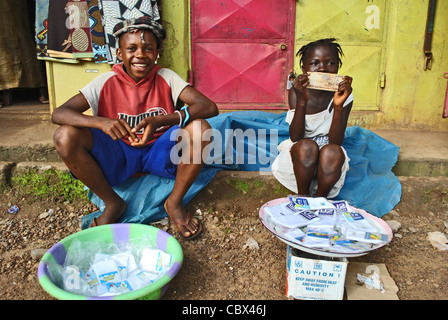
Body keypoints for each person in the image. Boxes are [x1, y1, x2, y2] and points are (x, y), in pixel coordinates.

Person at [51, 16, 218, 240]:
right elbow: (59, 113)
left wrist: (162, 120)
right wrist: (100, 121)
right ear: (119, 54)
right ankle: (112, 203)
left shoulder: (166, 77)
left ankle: (174, 203)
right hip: (118, 155)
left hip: (159, 153)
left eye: (148, 48)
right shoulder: (105, 81)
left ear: (157, 52)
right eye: (131, 48)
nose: (140, 54)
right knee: (64, 135)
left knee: (201, 129)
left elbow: (208, 106)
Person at [272, 38, 353, 199]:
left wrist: (338, 106)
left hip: (328, 151)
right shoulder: (297, 91)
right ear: (304, 69)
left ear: (338, 67)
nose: (322, 68)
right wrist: (302, 101)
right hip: (301, 151)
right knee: (307, 147)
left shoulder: (344, 95)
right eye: (315, 63)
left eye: (330, 63)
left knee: (333, 152)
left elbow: (336, 141)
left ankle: (321, 199)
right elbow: (296, 137)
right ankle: (303, 197)